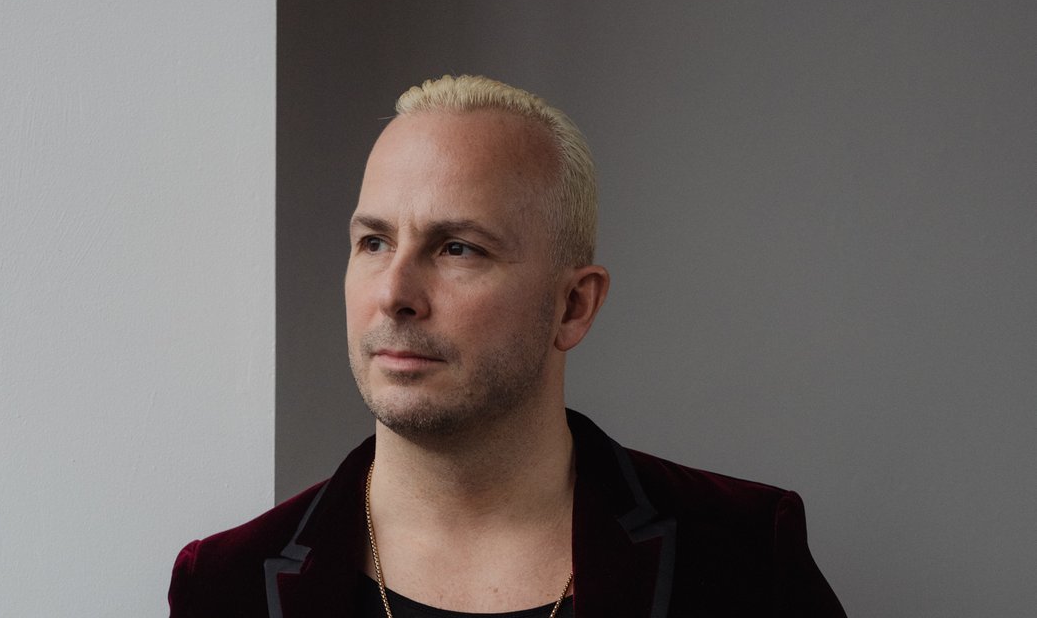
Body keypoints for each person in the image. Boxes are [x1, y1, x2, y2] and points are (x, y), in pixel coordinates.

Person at [168, 75, 846, 617]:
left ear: (573, 306)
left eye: (457, 248)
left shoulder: (744, 555)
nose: (395, 292)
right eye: (374, 242)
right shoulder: (225, 587)